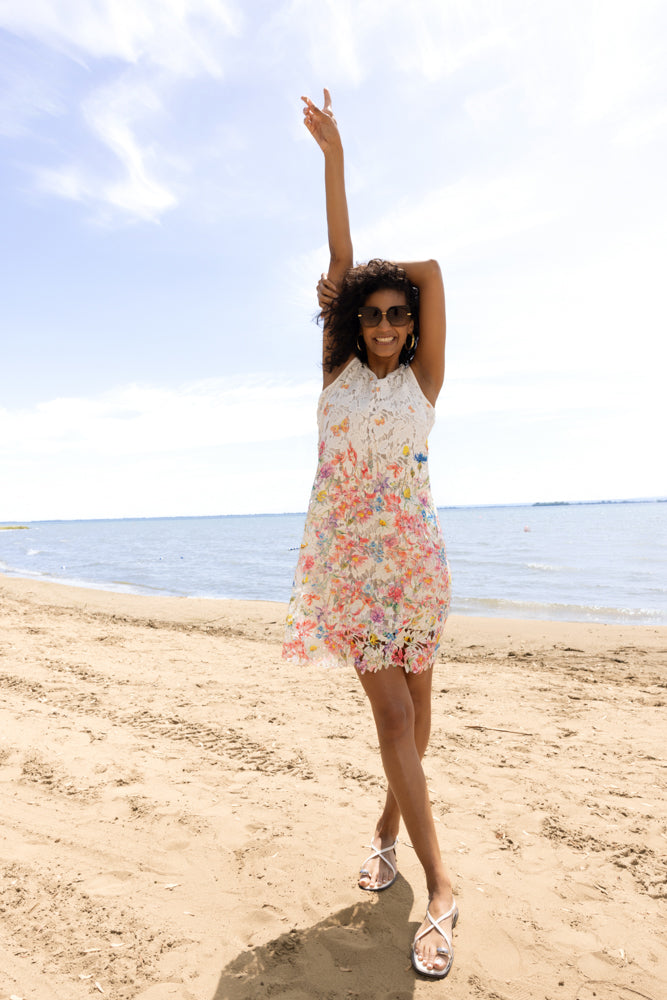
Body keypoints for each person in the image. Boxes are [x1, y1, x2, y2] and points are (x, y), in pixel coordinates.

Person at [282, 89, 457, 979]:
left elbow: (428, 270)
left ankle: (387, 829)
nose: (386, 325)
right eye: (372, 314)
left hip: (415, 568)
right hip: (350, 568)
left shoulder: (421, 383)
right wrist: (332, 156)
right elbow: (343, 256)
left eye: (396, 315)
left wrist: (384, 273)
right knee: (392, 716)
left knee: (414, 729)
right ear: (353, 323)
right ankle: (440, 887)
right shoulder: (339, 367)